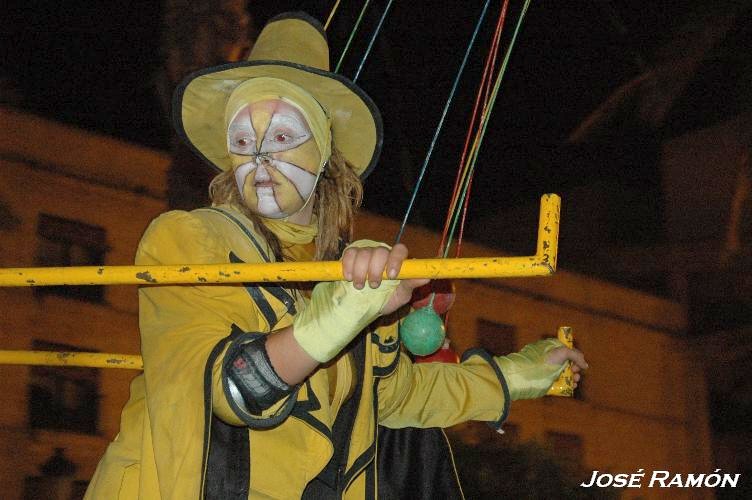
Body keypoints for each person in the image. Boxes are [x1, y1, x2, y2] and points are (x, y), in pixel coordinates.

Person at [85, 12, 587, 500]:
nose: (259, 158)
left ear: (323, 151)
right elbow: (227, 389)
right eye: (242, 141)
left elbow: (398, 396)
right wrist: (342, 313)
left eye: (281, 137)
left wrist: (518, 375)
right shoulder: (187, 239)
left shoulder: (351, 271)